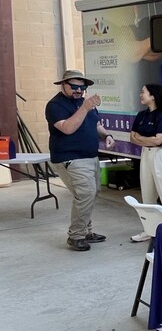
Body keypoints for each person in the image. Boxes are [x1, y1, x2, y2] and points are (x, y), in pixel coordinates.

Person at [46, 69, 116, 251]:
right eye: (74, 86)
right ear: (63, 85)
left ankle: (86, 231)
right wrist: (85, 107)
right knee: (85, 194)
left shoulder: (85, 103)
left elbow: (96, 124)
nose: (78, 90)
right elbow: (67, 128)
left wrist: (106, 135)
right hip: (70, 158)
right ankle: (76, 235)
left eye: (82, 87)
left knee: (91, 194)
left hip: (90, 156)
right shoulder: (55, 105)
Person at [129, 84, 162, 242]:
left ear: (153, 96)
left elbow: (159, 140)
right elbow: (132, 137)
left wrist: (142, 139)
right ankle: (150, 230)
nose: (141, 95)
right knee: (147, 194)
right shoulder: (141, 115)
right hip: (146, 154)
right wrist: (148, 141)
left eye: (143, 92)